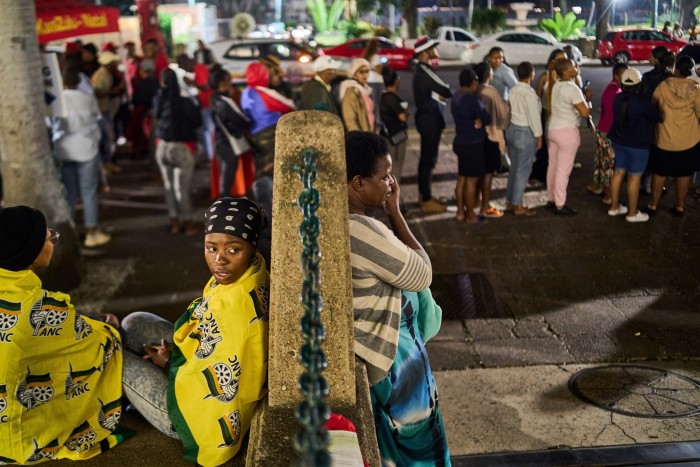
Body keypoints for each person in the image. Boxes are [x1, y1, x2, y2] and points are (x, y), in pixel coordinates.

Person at [121, 197, 269, 467]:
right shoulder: (254, 268)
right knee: (134, 322)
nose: (219, 260)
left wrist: (168, 363)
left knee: (114, 356)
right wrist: (179, 352)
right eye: (211, 248)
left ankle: (128, 404)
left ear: (252, 247)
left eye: (233, 250)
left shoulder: (232, 307)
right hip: (199, 363)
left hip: (196, 416)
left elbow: (216, 385)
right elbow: (209, 335)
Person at [345, 131, 450, 465]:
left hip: (381, 357)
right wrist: (396, 212)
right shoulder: (359, 229)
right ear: (358, 183)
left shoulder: (330, 220)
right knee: (416, 446)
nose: (391, 183)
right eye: (384, 177)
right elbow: (421, 272)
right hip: (396, 362)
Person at [0, 206, 125, 463]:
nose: (53, 242)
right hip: (21, 439)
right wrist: (111, 327)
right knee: (122, 337)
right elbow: (98, 347)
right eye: (49, 238)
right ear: (32, 254)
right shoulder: (40, 308)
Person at [54, 67, 112, 248]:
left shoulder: (57, 99)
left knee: (69, 194)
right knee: (89, 192)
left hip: (64, 149)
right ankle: (91, 233)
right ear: (79, 82)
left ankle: (69, 235)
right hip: (86, 149)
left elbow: (51, 124)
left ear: (62, 81)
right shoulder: (87, 98)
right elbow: (97, 120)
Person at [648, 56, 700, 216]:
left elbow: (652, 107)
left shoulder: (663, 86)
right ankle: (679, 206)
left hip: (663, 138)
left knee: (659, 172)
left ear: (676, 69)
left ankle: (653, 205)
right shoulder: (697, 89)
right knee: (684, 173)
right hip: (689, 140)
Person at [608, 68, 661, 222]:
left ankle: (614, 207)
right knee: (634, 178)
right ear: (639, 84)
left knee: (618, 173)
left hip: (618, 141)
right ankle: (632, 213)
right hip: (638, 145)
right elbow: (657, 117)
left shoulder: (617, 98)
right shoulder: (643, 103)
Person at [154, 67, 203, 235]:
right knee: (181, 188)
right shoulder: (185, 102)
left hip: (162, 147)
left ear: (162, 82)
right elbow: (197, 122)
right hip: (181, 148)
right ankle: (187, 222)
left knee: (169, 187)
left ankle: (174, 221)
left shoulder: (159, 101)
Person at [546, 58, 593, 215]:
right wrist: (589, 101)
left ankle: (551, 198)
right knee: (563, 170)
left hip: (553, 129)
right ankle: (560, 204)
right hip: (566, 132)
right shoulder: (572, 88)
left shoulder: (557, 85)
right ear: (566, 72)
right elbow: (585, 112)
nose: (576, 67)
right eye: (573, 66)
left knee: (553, 166)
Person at [412, 36, 452, 213]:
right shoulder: (424, 70)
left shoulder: (423, 70)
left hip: (428, 119)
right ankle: (426, 199)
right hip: (429, 121)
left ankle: (424, 195)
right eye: (433, 47)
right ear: (426, 52)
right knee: (428, 160)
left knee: (428, 159)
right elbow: (446, 90)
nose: (436, 50)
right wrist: (442, 93)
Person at [241, 62, 296, 179]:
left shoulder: (245, 92)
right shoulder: (263, 92)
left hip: (253, 134)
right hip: (269, 135)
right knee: (274, 168)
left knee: (261, 166)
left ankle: (261, 194)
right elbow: (290, 106)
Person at [451, 68, 492, 224]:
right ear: (474, 83)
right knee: (472, 182)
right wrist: (481, 119)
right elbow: (487, 118)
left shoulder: (456, 97)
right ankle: (470, 216)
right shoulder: (471, 99)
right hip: (472, 144)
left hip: (460, 141)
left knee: (462, 179)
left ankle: (460, 213)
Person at [587, 63, 627, 203]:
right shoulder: (615, 91)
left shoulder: (614, 88)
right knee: (608, 165)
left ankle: (598, 187)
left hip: (605, 130)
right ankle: (608, 195)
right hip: (608, 132)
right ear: (616, 76)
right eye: (624, 75)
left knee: (602, 161)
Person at [506, 61, 542, 216]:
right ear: (531, 75)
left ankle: (510, 200)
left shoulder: (513, 90)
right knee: (523, 171)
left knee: (514, 168)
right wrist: (539, 136)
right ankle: (518, 204)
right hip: (525, 133)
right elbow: (534, 118)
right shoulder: (529, 94)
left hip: (512, 130)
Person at [474, 62, 509, 218]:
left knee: (478, 172)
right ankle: (485, 206)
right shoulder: (491, 91)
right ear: (488, 74)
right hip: (491, 135)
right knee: (488, 173)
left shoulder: (474, 90)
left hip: (476, 136)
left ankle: (476, 201)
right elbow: (503, 115)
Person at [210, 69, 251, 198]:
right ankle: (223, 210)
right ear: (222, 84)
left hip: (221, 143)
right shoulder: (225, 102)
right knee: (227, 181)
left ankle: (223, 207)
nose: (231, 84)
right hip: (228, 145)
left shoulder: (214, 100)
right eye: (229, 81)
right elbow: (242, 121)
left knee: (225, 178)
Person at [531, 48, 567, 186]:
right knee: (545, 149)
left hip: (563, 117)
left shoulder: (568, 76)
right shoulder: (545, 77)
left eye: (565, 59)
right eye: (559, 60)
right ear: (552, 61)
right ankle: (542, 175)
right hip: (547, 115)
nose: (562, 62)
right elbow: (537, 98)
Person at [379, 66, 409, 189]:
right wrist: (406, 112)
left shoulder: (384, 96)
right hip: (395, 139)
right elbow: (403, 117)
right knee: (395, 171)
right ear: (396, 81)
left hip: (389, 137)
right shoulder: (391, 98)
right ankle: (392, 204)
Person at [340, 58, 375, 132]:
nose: (365, 75)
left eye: (367, 71)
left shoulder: (366, 90)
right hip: (361, 136)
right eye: (361, 72)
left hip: (369, 133)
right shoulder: (351, 92)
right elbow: (350, 120)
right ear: (355, 74)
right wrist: (359, 138)